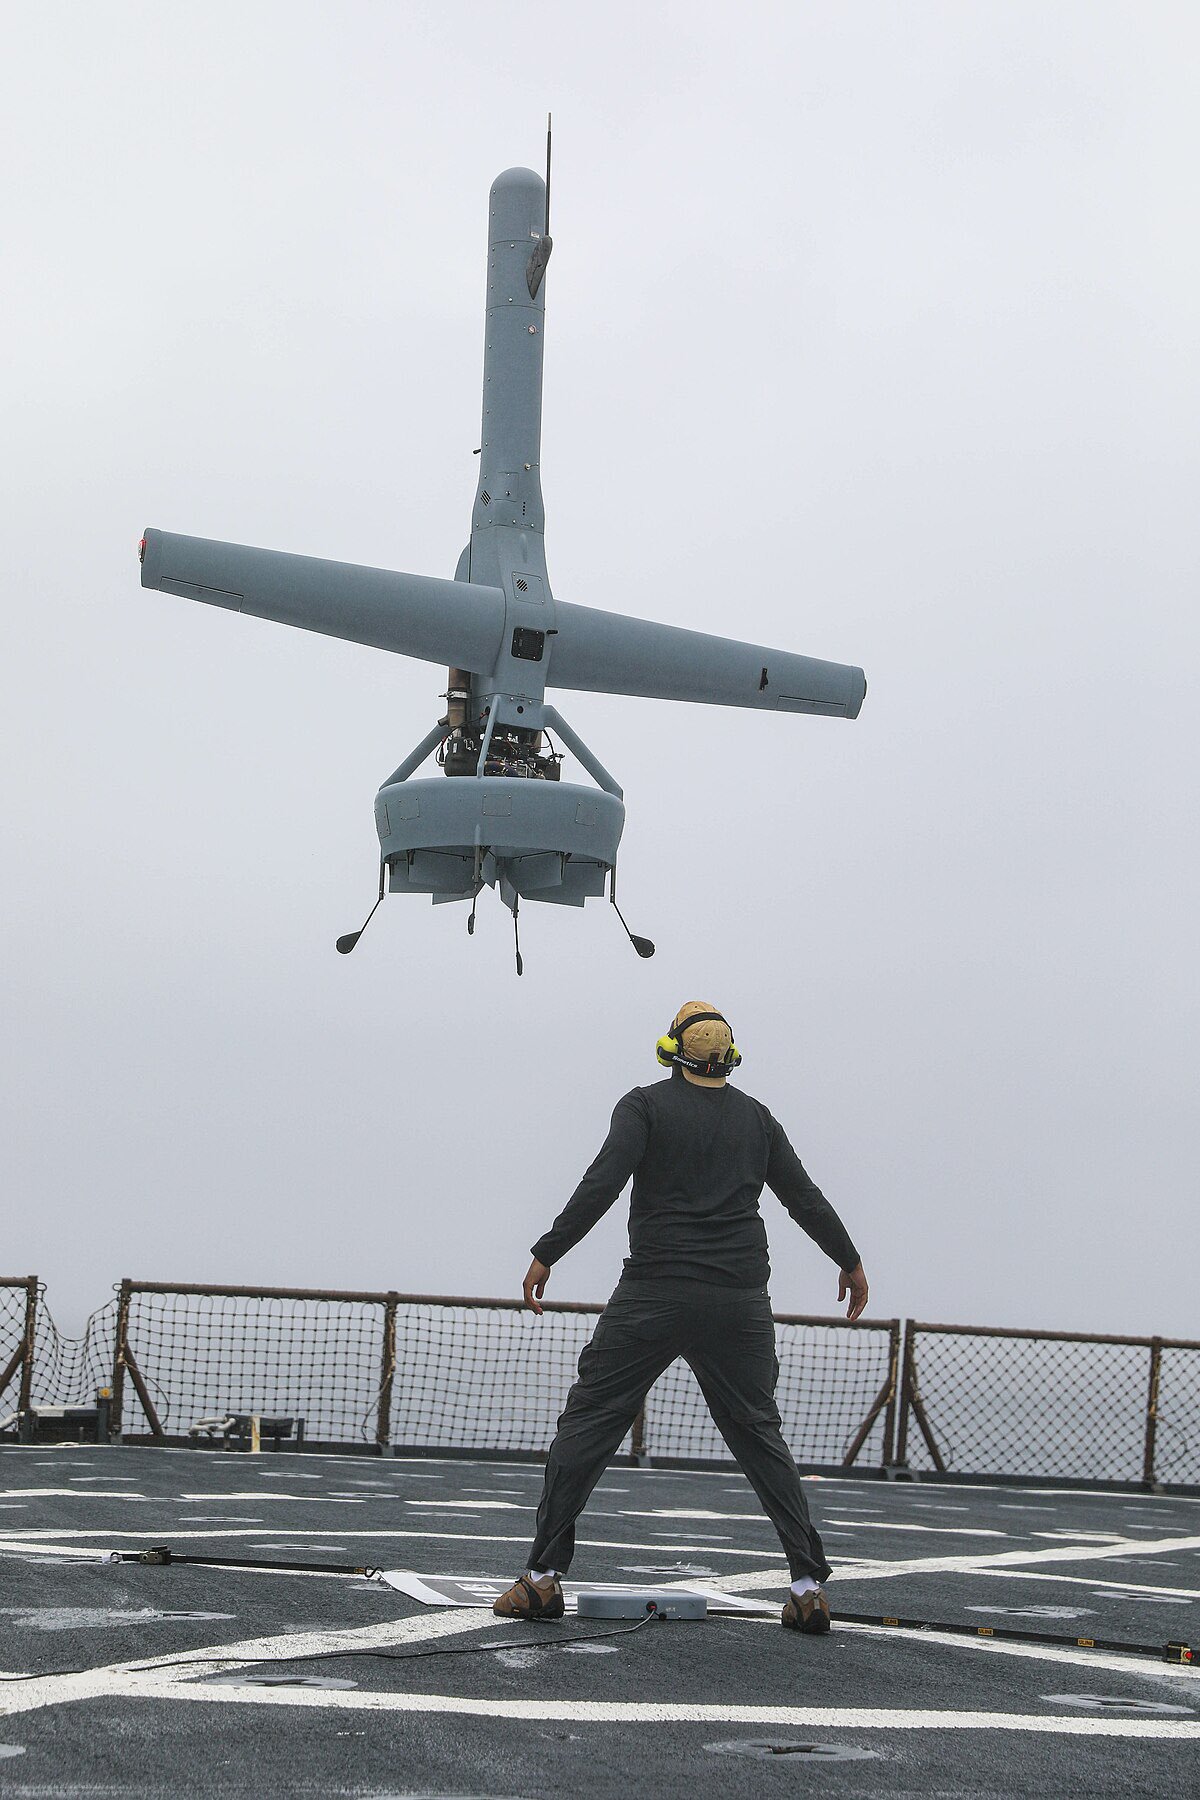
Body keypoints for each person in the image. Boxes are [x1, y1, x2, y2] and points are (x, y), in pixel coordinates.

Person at [494, 1001, 868, 1635]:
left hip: (655, 1293)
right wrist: (850, 1260)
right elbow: (804, 1196)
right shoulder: (758, 1119)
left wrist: (547, 1251)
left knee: (590, 1421)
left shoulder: (643, 1106)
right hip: (739, 1300)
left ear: (671, 1050)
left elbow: (603, 1181)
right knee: (757, 1431)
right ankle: (808, 1588)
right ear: (728, 1056)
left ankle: (541, 1579)